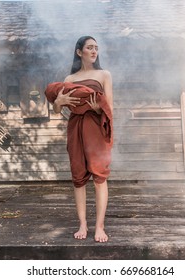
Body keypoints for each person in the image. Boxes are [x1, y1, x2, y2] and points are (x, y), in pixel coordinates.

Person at [47, 36, 113, 243]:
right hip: (76, 127)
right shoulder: (69, 79)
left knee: (99, 176)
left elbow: (109, 106)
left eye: (96, 48)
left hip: (96, 127)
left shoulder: (104, 74)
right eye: (89, 48)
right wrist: (59, 101)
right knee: (78, 177)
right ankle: (82, 224)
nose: (94, 51)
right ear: (79, 52)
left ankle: (99, 226)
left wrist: (97, 108)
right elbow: (58, 111)